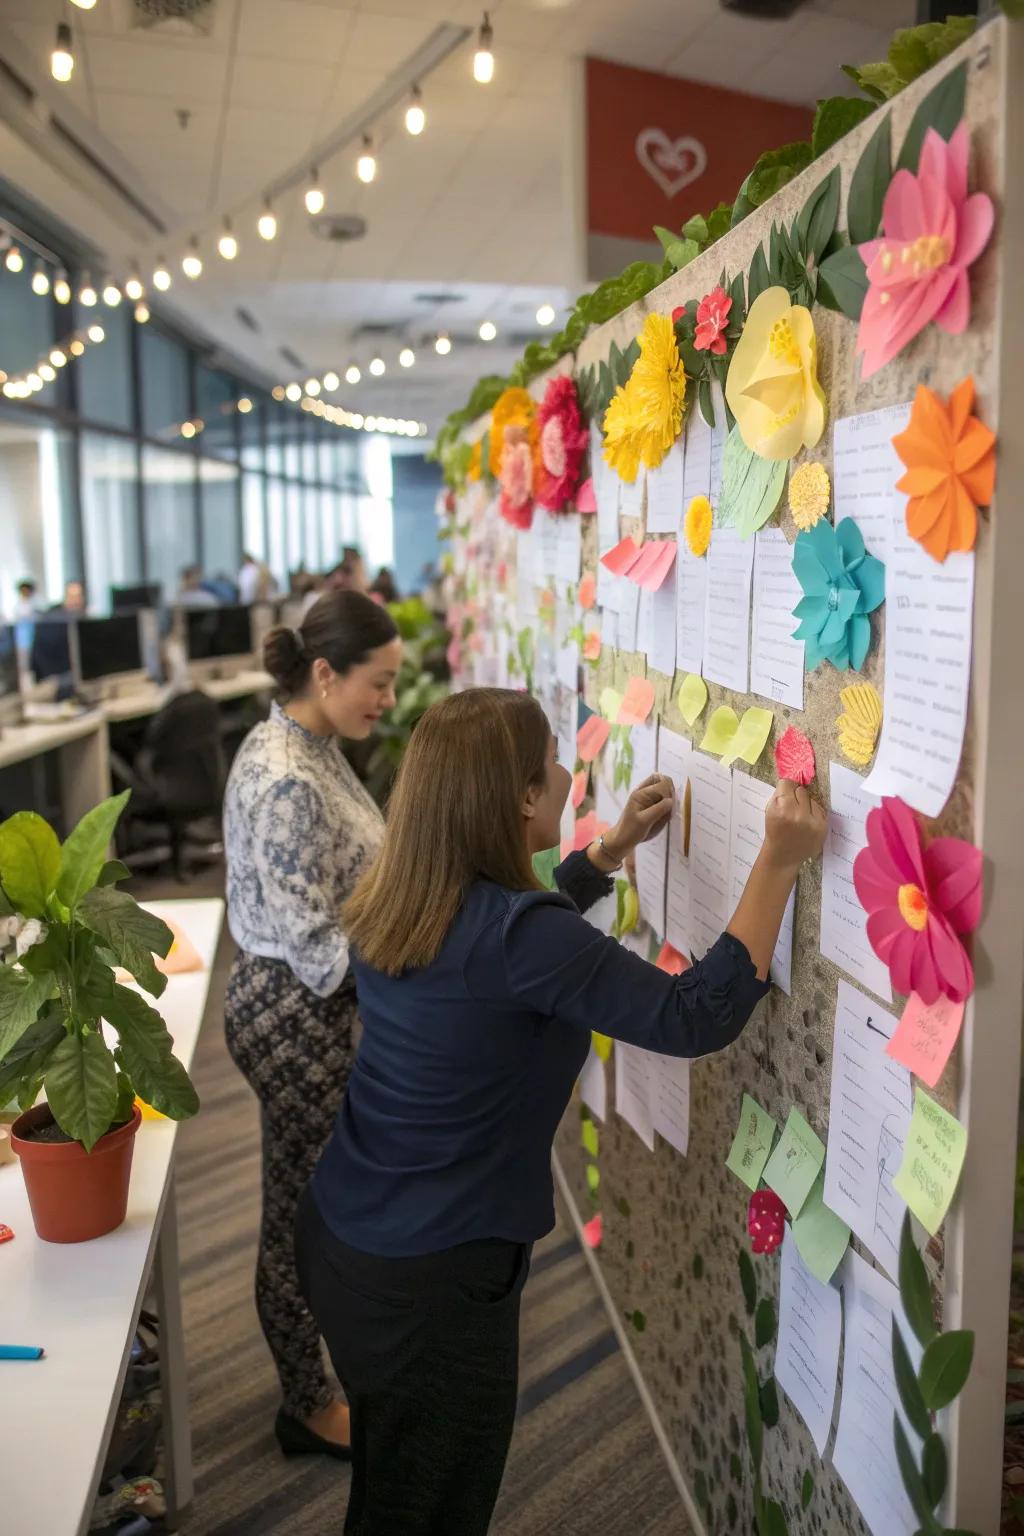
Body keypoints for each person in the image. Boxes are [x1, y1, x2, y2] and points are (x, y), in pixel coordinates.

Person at [295, 687, 827, 1535]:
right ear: (518, 798)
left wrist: (606, 855)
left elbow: (504, 956)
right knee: (427, 1510)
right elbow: (696, 1015)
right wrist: (779, 860)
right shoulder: (518, 936)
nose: (563, 771)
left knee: (395, 1484)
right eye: (549, 759)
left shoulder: (403, 893)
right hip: (428, 1287)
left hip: (346, 1239)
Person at [222, 591, 403, 1464]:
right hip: (293, 1014)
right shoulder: (288, 778)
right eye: (380, 682)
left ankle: (322, 1382)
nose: (390, 701)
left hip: (310, 1004)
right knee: (302, 1216)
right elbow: (315, 944)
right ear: (324, 673)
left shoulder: (312, 742)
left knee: (314, 1206)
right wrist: (413, 976)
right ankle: (306, 1402)